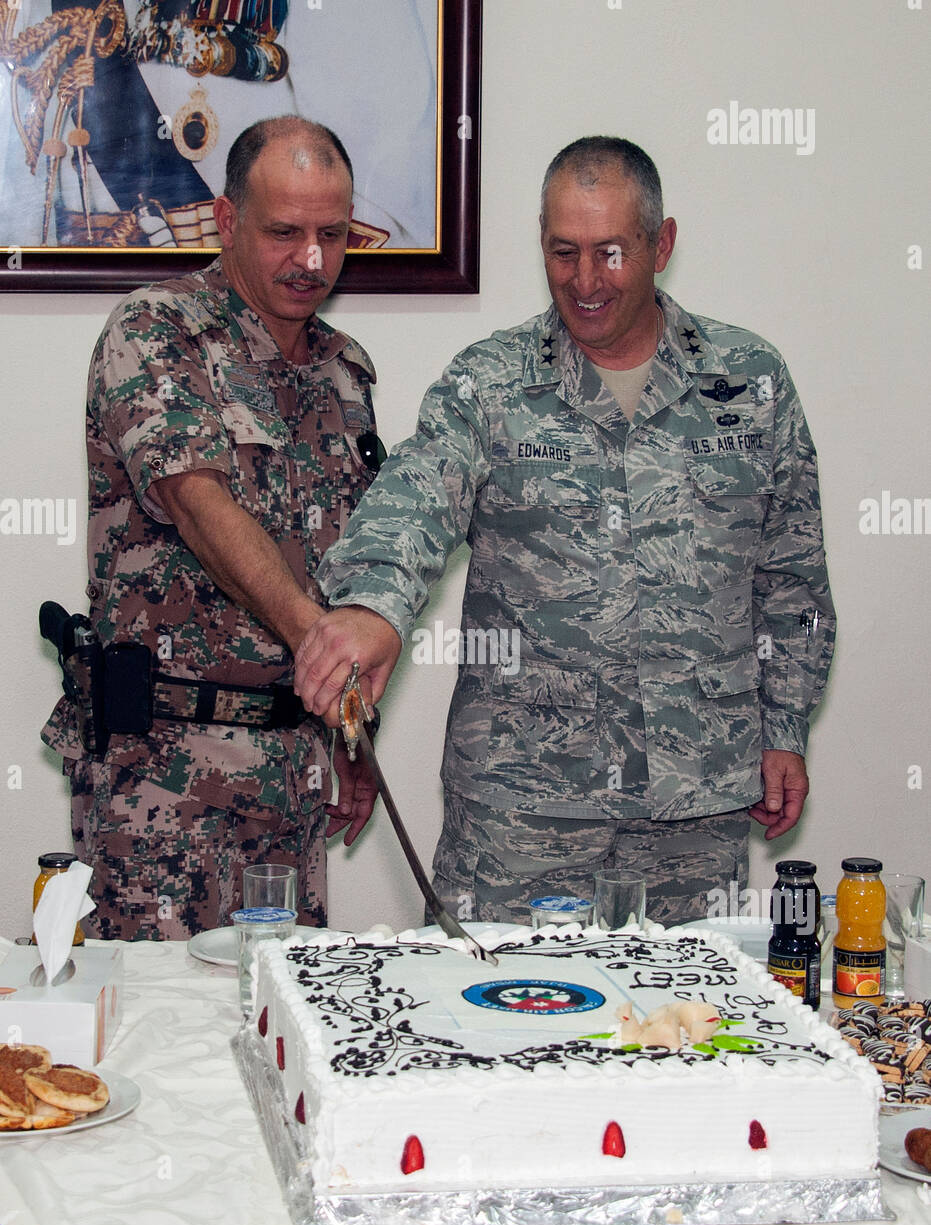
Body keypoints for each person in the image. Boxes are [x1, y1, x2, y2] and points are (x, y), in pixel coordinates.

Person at [293, 136, 835, 927]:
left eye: (611, 253)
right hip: (524, 808)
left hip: (695, 803)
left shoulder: (748, 382)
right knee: (493, 1033)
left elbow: (792, 578)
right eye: (563, 252)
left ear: (663, 243)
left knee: (679, 1035)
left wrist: (783, 727)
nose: (585, 281)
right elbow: (415, 493)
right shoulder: (490, 382)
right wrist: (372, 606)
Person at [41, 115, 380, 940]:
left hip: (290, 773)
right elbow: (198, 504)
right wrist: (326, 653)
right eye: (284, 232)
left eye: (331, 235)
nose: (310, 259)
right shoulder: (155, 330)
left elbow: (356, 558)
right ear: (227, 221)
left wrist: (351, 734)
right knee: (153, 1039)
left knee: (283, 1021)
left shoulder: (346, 368)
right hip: (162, 775)